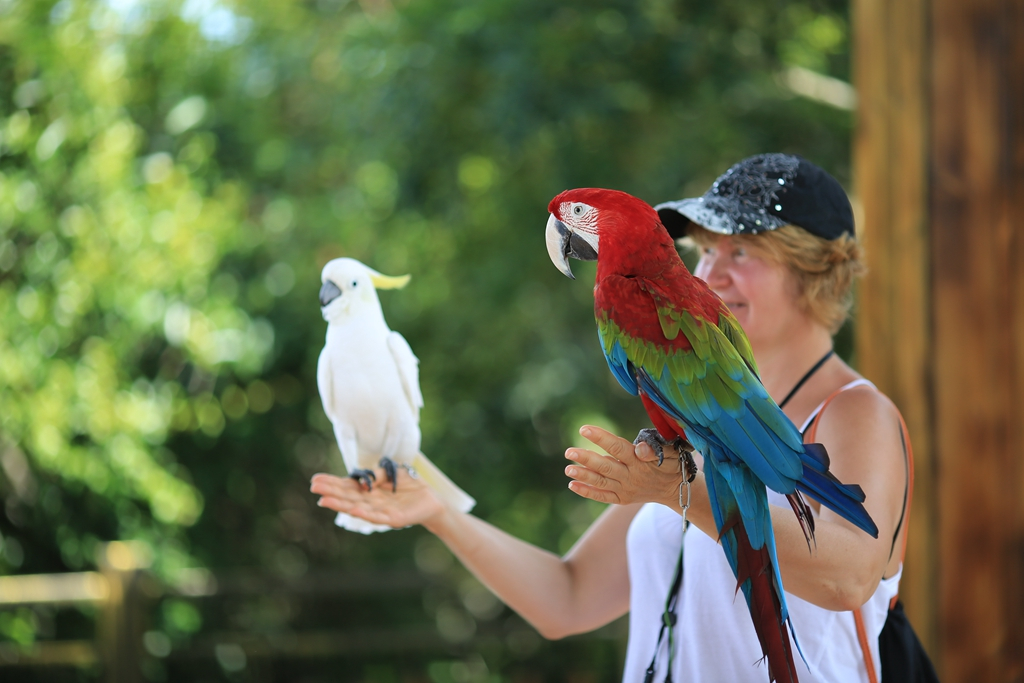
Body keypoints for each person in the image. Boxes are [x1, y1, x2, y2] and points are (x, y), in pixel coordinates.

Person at [309, 154, 911, 682]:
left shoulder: (855, 412)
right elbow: (568, 599)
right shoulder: (682, 424)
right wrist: (438, 513)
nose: (712, 271)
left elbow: (848, 581)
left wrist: (679, 490)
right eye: (705, 249)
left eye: (743, 250)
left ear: (816, 271)